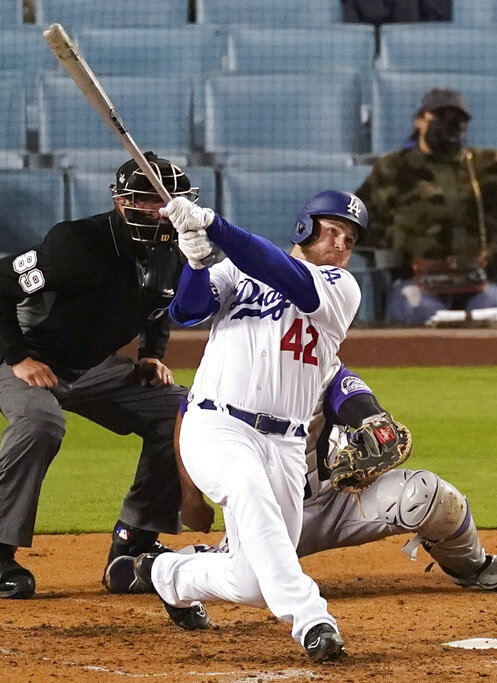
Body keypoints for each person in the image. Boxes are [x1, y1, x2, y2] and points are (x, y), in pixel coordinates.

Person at [116, 190, 367, 663]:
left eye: (349, 239)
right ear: (304, 227)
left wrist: (214, 225)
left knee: (251, 581)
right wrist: (195, 260)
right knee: (246, 486)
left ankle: (167, 575)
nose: (340, 244)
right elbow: (187, 312)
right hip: (216, 425)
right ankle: (312, 619)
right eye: (332, 230)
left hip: (287, 445)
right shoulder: (234, 271)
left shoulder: (341, 288)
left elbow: (282, 271)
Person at [0, 153, 196, 600]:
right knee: (41, 423)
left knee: (184, 413)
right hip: (21, 356)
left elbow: (160, 302)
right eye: (150, 201)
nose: (162, 211)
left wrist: (150, 354)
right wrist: (20, 356)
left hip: (90, 365)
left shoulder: (178, 250)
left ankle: (134, 545)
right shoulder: (77, 244)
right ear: (123, 203)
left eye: (169, 201)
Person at [106, 362, 497, 596]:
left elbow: (360, 403)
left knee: (426, 495)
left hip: (342, 500)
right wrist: (191, 495)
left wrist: (373, 426)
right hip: (273, 514)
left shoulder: (324, 367)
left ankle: (473, 567)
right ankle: (158, 568)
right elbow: (186, 416)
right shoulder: (231, 372)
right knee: (245, 578)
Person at [355, 87, 497, 324]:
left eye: (458, 120)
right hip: (417, 280)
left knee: (489, 312)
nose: (449, 125)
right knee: (421, 313)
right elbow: (356, 221)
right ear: (420, 121)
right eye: (439, 117)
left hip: (483, 280)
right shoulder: (393, 168)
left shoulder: (488, 166)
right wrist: (394, 251)